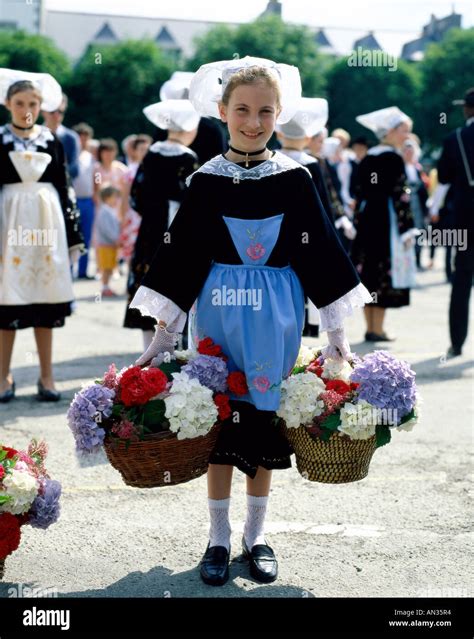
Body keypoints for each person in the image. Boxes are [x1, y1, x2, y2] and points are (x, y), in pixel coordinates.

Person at [128, 57, 373, 586]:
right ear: (222, 111)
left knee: (263, 420)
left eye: (265, 111)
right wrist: (161, 339)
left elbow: (325, 258)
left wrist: (337, 341)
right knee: (218, 420)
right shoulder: (205, 182)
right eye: (242, 110)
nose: (253, 121)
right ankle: (217, 537)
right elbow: (181, 262)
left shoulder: (295, 178)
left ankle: (255, 535)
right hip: (219, 314)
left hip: (277, 318)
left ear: (279, 114)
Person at [0, 69, 84, 403]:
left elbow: (65, 188)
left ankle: (46, 376)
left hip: (47, 223)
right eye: (20, 102)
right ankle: (3, 376)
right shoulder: (0, 139)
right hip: (9, 224)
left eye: (33, 102)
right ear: (8, 104)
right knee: (7, 301)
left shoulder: (52, 140)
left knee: (45, 298)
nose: (27, 109)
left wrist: (73, 233)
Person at [123, 100, 199, 350]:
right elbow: (192, 198)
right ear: (189, 128)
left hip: (150, 228)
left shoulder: (152, 153)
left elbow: (136, 193)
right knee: (176, 280)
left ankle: (148, 346)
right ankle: (174, 347)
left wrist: (151, 213)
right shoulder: (188, 158)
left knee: (149, 278)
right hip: (178, 228)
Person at [351, 106, 417, 342]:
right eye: (403, 131)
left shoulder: (368, 157)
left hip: (368, 218)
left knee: (368, 271)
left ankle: (370, 327)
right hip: (386, 220)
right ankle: (377, 329)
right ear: (389, 132)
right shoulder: (394, 158)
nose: (406, 136)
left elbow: (358, 192)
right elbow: (401, 195)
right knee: (382, 272)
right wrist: (407, 226)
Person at [275, 97, 331, 338]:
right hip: (306, 234)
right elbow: (323, 207)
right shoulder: (312, 165)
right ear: (308, 138)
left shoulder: (270, 162)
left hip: (274, 233)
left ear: (278, 134)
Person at [437, 88, 474, 358]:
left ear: (467, 109)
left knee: (461, 280)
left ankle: (457, 342)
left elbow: (444, 177)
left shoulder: (455, 139)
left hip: (465, 218)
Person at [119, 134, 152, 266]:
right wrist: (122, 216)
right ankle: (131, 283)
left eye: (146, 149)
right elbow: (125, 195)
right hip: (133, 215)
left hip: (150, 214)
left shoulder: (155, 170)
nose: (144, 152)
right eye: (141, 149)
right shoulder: (130, 171)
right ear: (135, 151)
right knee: (132, 249)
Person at [72, 122, 95, 279]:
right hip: (72, 201)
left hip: (88, 201)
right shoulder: (69, 154)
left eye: (86, 137)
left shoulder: (91, 157)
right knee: (71, 236)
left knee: (86, 237)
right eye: (80, 137)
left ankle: (83, 271)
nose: (83, 140)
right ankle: (68, 270)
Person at [402, 137, 428, 270]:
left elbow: (423, 189)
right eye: (406, 151)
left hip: (417, 204)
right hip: (406, 205)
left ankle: (418, 260)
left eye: (411, 151)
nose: (409, 154)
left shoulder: (417, 169)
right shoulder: (400, 168)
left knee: (419, 232)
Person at [42, 93, 80, 180]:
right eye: (52, 111)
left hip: (63, 189)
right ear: (43, 111)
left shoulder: (71, 137)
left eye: (60, 112)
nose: (56, 115)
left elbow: (75, 170)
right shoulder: (34, 135)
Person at [95, 185, 122, 297]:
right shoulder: (104, 212)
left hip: (110, 245)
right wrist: (115, 239)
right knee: (106, 268)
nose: (117, 200)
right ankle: (104, 287)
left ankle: (107, 286)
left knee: (110, 267)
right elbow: (106, 229)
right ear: (107, 198)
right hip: (105, 245)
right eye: (114, 197)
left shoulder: (110, 211)